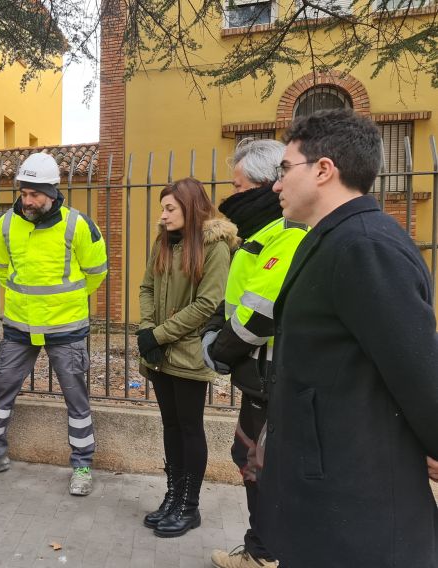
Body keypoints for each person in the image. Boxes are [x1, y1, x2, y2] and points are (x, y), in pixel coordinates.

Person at [260, 108, 438, 567]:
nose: (276, 184)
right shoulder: (334, 238)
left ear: (323, 170)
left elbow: (417, 370)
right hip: (333, 496)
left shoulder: (364, 246)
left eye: (284, 169)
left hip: (359, 510)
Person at [0, 152, 107, 496]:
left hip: (66, 329)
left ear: (53, 192)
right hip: (19, 327)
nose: (27, 200)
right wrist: (28, 301)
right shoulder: (6, 223)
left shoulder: (77, 225)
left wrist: (62, 303)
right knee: (2, 390)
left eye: (34, 194)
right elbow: (2, 269)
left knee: (77, 400)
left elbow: (96, 273)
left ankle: (82, 464)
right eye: (23, 193)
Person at [200, 140, 306, 568]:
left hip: (275, 376)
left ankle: (265, 555)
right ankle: (262, 549)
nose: (231, 197)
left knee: (261, 468)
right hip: (260, 378)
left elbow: (260, 316)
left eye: (239, 187)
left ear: (267, 186)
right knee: (251, 462)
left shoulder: (289, 234)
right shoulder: (263, 234)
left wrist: (217, 348)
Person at [137, 178, 236, 538]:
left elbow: (209, 304)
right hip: (160, 352)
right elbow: (147, 286)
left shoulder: (215, 247)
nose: (162, 216)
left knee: (190, 427)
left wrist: (158, 335)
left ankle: (189, 507)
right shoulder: (163, 242)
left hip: (190, 353)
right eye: (162, 208)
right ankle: (172, 497)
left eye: (170, 209)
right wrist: (148, 330)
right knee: (171, 426)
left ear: (191, 208)